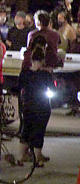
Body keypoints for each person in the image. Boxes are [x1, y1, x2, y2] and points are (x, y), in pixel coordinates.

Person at [11, 38, 55, 167]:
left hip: (28, 105)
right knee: (39, 132)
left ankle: (19, 158)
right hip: (43, 106)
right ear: (42, 61)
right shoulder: (46, 75)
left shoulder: (24, 73)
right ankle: (37, 159)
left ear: (31, 60)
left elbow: (17, 88)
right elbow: (53, 89)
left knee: (26, 130)